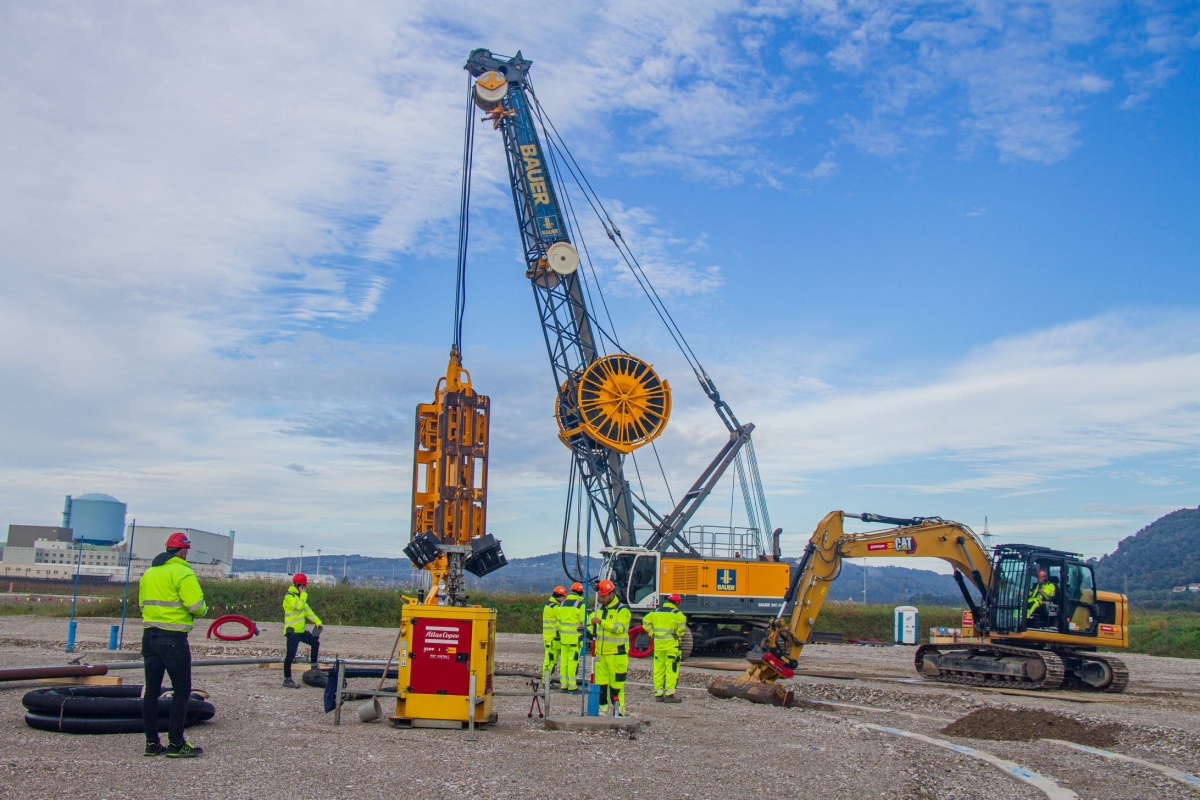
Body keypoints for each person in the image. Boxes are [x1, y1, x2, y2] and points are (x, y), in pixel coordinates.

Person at [139, 531, 207, 758]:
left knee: (151, 690)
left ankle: (151, 743)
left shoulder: (149, 573)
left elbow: (142, 604)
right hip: (173, 639)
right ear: (183, 550)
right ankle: (176, 744)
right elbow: (196, 606)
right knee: (181, 690)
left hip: (149, 635)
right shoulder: (183, 572)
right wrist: (202, 611)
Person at [589, 579, 631, 716]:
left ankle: (619, 712)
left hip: (616, 655)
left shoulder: (623, 610)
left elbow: (619, 628)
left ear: (611, 594)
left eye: (604, 596)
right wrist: (587, 626)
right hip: (601, 655)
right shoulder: (599, 609)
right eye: (600, 596)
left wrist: (601, 622)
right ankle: (602, 711)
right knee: (601, 685)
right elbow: (590, 623)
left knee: (616, 686)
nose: (601, 599)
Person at [642, 592, 687, 703]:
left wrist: (653, 634)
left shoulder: (655, 612)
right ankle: (670, 695)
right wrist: (677, 634)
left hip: (658, 646)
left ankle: (658, 694)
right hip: (672, 646)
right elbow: (681, 629)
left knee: (658, 670)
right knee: (671, 670)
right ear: (677, 603)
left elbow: (645, 622)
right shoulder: (678, 614)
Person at [282, 573, 323, 688]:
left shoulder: (300, 597)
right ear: (298, 585)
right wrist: (304, 595)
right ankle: (287, 679)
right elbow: (299, 606)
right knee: (290, 655)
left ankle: (314, 668)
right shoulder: (289, 597)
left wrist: (317, 621)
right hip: (292, 632)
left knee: (315, 643)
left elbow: (307, 611)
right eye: (304, 586)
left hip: (301, 631)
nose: (305, 588)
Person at [557, 582, 586, 692]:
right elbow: (584, 622)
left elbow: (558, 622)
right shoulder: (580, 604)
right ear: (581, 592)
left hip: (564, 638)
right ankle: (572, 686)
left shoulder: (562, 603)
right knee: (573, 662)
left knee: (564, 661)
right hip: (575, 638)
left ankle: (563, 684)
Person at [542, 585, 566, 683]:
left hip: (551, 638)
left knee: (551, 660)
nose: (564, 599)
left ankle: (547, 680)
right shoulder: (554, 607)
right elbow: (564, 616)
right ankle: (546, 681)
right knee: (550, 661)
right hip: (551, 638)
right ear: (560, 596)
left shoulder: (551, 605)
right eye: (564, 597)